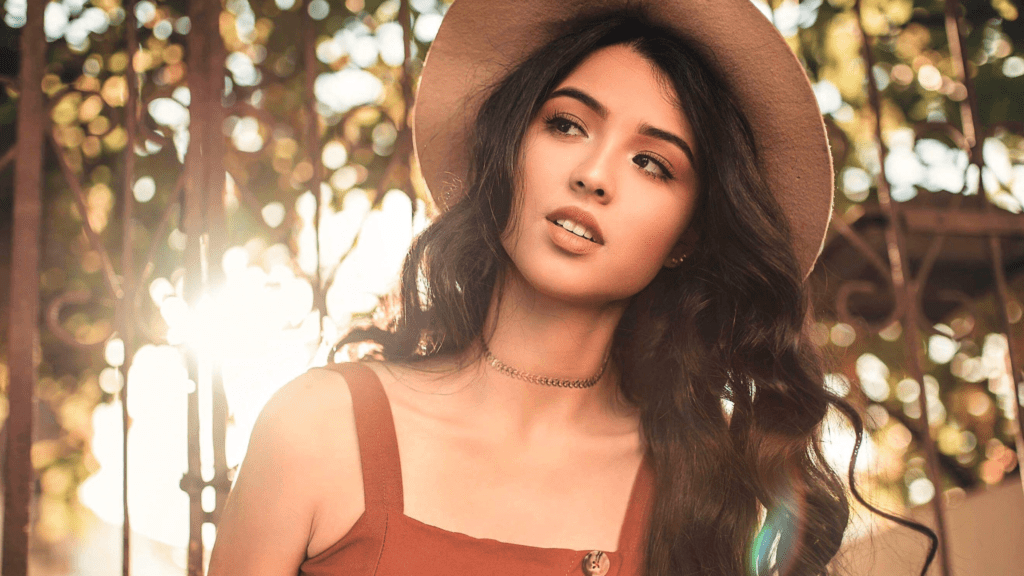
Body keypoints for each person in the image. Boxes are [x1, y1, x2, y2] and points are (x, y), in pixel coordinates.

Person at [208, 1, 935, 575]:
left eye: (653, 163)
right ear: (508, 152)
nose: (594, 174)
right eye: (565, 124)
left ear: (688, 236)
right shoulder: (317, 426)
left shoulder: (715, 504)